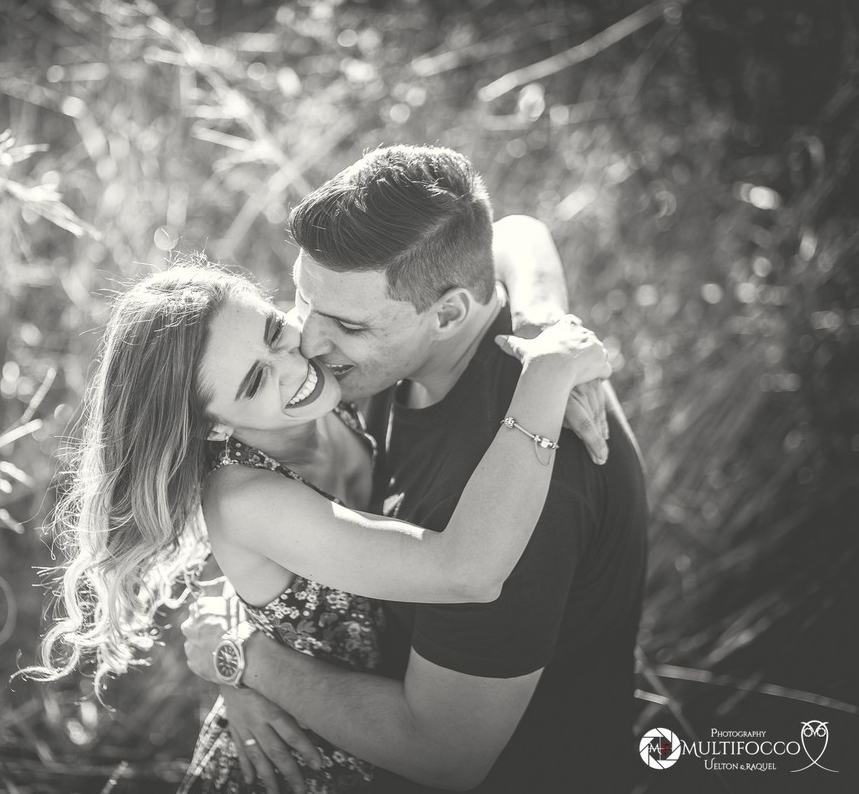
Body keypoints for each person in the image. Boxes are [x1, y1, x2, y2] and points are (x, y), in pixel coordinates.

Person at [24, 253, 611, 793]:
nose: (293, 367)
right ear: (212, 427)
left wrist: (540, 324)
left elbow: (512, 234)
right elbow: (463, 571)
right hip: (296, 766)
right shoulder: (246, 498)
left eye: (276, 333)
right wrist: (547, 375)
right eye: (256, 381)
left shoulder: (339, 384)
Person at [181, 145, 649, 793]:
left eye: (345, 323)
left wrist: (248, 663)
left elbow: (443, 755)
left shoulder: (515, 481)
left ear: (450, 312)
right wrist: (544, 311)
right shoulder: (405, 355)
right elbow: (514, 231)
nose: (310, 344)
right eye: (301, 299)